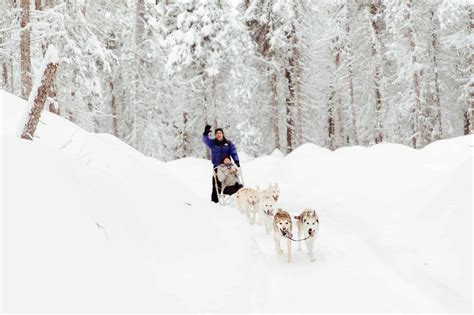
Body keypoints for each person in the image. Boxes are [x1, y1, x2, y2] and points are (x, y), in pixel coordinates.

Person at [202, 125, 241, 203]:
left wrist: (236, 161)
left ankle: (236, 197)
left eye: (220, 133)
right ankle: (214, 201)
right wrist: (205, 134)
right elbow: (205, 141)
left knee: (231, 180)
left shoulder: (228, 143)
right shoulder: (213, 143)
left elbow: (234, 152)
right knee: (216, 185)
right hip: (217, 167)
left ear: (223, 134)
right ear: (215, 135)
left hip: (227, 166)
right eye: (217, 133)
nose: (218, 134)